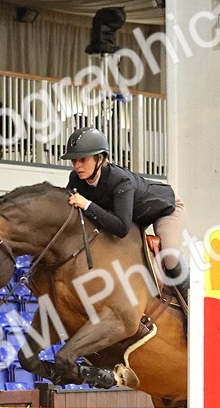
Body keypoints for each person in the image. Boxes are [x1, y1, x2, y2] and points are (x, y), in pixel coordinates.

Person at [61, 126, 188, 297]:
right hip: (134, 215)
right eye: (74, 161)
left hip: (164, 209)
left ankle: (192, 304)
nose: (77, 166)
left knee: (170, 257)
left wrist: (87, 205)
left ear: (99, 158)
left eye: (83, 159)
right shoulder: (76, 178)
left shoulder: (120, 181)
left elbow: (121, 228)